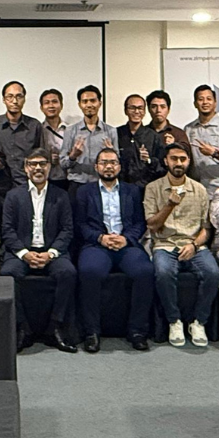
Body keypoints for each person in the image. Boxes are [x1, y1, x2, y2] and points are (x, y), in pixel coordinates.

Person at [144, 142, 219, 347]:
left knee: (212, 273)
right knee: (163, 273)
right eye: (174, 159)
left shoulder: (200, 190)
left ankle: (199, 322)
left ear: (188, 161)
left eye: (182, 159)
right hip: (164, 244)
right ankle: (174, 321)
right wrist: (169, 204)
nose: (178, 163)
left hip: (194, 245)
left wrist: (194, 245)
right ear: (166, 161)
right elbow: (152, 225)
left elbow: (206, 229)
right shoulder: (153, 188)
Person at [74, 148, 154, 352]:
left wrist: (126, 239)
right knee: (90, 272)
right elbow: (80, 224)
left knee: (145, 272)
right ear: (96, 167)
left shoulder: (132, 191)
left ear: (119, 167)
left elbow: (140, 223)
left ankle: (137, 331)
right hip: (97, 245)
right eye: (104, 163)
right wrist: (100, 238)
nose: (108, 166)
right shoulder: (84, 192)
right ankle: (91, 332)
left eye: (113, 162)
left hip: (126, 244)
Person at [0, 148, 78, 353]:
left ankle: (55, 327)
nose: (37, 168)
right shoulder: (13, 196)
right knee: (8, 274)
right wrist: (24, 253)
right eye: (33, 164)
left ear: (49, 167)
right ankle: (22, 328)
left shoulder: (61, 195)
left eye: (42, 164)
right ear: (26, 168)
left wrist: (50, 253)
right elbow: (7, 230)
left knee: (68, 273)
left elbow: (67, 230)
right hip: (21, 251)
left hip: (51, 251)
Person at [60, 85, 119, 197]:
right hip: (76, 184)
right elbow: (63, 163)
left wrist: (110, 153)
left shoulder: (111, 131)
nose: (89, 105)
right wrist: (73, 156)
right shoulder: (70, 131)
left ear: (100, 103)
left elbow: (117, 163)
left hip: (101, 184)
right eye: (85, 101)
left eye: (93, 101)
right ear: (79, 105)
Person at [0, 81, 44, 195]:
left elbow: (40, 157)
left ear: (24, 99)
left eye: (19, 96)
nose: (15, 101)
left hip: (27, 185)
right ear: (4, 100)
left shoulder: (34, 125)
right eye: (10, 96)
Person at [184, 84, 219, 193]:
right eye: (201, 99)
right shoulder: (189, 129)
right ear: (195, 104)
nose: (205, 102)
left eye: (209, 99)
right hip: (194, 188)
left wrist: (214, 153)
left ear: (215, 103)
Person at [117, 94, 164, 189]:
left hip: (145, 188)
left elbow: (161, 167)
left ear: (144, 111)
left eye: (140, 108)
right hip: (121, 187)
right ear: (125, 111)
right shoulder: (117, 133)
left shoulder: (153, 136)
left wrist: (149, 160)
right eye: (132, 108)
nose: (136, 111)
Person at [39, 89, 68, 189]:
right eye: (47, 103)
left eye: (55, 102)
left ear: (61, 105)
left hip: (68, 179)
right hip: (45, 179)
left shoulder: (70, 130)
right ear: (41, 108)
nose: (51, 105)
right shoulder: (38, 130)